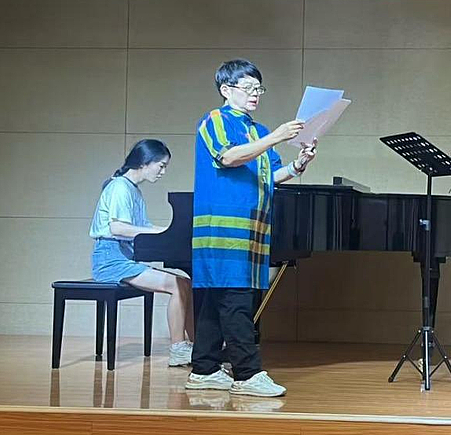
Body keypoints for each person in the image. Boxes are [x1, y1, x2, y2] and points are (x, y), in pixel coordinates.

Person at [186, 60, 317, 397]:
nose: (255, 94)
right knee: (236, 298)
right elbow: (228, 157)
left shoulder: (258, 131)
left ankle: (203, 369)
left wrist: (298, 164)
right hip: (222, 225)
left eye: (259, 88)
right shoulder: (215, 119)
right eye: (248, 88)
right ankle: (247, 373)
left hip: (252, 227)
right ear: (226, 90)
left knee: (218, 296)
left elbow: (272, 176)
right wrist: (276, 137)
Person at [90, 138, 195, 367]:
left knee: (185, 283)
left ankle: (198, 347)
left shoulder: (132, 190)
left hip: (124, 256)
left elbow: (143, 228)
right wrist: (165, 232)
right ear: (145, 162)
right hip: (110, 260)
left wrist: (168, 232)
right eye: (161, 165)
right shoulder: (119, 187)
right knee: (177, 284)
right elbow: (118, 228)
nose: (163, 172)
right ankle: (178, 348)